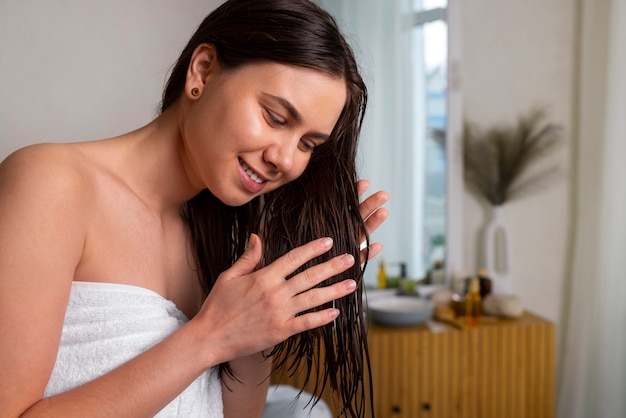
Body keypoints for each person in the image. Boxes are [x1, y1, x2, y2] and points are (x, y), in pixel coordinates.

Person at [0, 0, 389, 417]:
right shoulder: (53, 184)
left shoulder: (223, 242)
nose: (287, 159)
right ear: (202, 71)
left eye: (308, 144)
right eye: (275, 117)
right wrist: (209, 337)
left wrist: (265, 317)